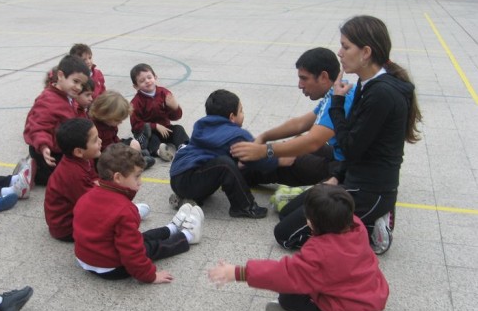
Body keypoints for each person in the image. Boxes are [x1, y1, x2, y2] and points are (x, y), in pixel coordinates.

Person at [274, 15, 422, 255]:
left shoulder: (382, 93)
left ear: (366, 52)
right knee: (287, 213)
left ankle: (373, 225)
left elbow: (349, 147)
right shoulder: (367, 84)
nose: (340, 53)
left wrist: (337, 103)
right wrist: (336, 177)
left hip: (370, 190)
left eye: (345, 46)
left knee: (285, 235)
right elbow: (355, 143)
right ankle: (357, 222)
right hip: (354, 177)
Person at [208, 184, 389, 311]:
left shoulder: (320, 253)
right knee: (310, 279)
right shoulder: (356, 225)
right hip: (370, 300)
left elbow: (284, 274)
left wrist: (237, 272)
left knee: (288, 297)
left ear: (313, 223)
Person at [73, 144, 203, 284]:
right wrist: (150, 276)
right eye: (137, 176)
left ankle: (172, 228)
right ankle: (188, 236)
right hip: (112, 268)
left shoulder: (86, 196)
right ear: (118, 177)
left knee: (138, 238)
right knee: (151, 247)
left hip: (86, 259)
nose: (140, 182)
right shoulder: (125, 210)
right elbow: (131, 252)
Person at [231, 47, 356, 187]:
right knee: (290, 147)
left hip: (348, 167)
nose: (299, 85)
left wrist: (264, 151)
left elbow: (313, 141)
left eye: (304, 78)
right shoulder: (338, 91)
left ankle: (234, 175)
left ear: (323, 77)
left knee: (286, 162)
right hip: (343, 155)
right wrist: (264, 137)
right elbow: (300, 124)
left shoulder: (339, 99)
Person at [170, 90, 275, 219]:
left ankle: (187, 200)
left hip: (177, 178)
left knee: (224, 164)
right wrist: (278, 157)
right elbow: (260, 159)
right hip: (189, 180)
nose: (243, 114)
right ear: (232, 117)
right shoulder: (236, 135)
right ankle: (244, 206)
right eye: (241, 111)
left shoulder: (203, 125)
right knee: (225, 165)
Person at [23, 55, 91, 186]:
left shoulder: (67, 96)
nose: (78, 87)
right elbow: (38, 126)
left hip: (60, 147)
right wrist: (43, 146)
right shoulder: (48, 100)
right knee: (63, 179)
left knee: (80, 168)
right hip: (47, 151)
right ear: (60, 75)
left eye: (81, 84)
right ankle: (32, 173)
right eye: (75, 81)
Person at [44, 118, 101, 242]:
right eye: (95, 140)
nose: (100, 141)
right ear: (79, 151)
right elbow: (92, 203)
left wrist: (99, 184)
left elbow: (93, 176)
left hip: (73, 212)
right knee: (112, 224)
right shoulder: (74, 173)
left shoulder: (83, 158)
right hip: (66, 228)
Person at [130, 63, 189, 162]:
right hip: (148, 133)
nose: (147, 81)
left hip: (165, 129)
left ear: (155, 77)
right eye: (142, 81)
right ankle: (159, 151)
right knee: (151, 139)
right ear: (136, 86)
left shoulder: (164, 93)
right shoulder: (136, 102)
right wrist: (154, 126)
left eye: (149, 77)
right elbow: (135, 126)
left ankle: (183, 148)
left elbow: (175, 117)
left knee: (178, 129)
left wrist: (175, 108)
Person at [89, 90, 155, 169]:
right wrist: (122, 151)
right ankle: (135, 164)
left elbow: (115, 139)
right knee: (125, 155)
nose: (120, 122)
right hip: (105, 156)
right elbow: (99, 151)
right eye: (117, 120)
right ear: (105, 115)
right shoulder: (95, 128)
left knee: (134, 143)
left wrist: (123, 147)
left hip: (114, 147)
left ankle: (137, 156)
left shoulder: (110, 124)